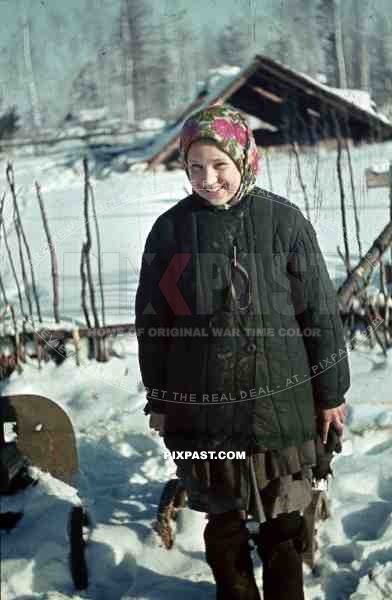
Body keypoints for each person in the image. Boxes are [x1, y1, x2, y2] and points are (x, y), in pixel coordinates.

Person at [135, 104, 350, 600]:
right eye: (194, 168)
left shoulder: (284, 223)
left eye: (219, 166)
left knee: (283, 525)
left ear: (245, 160)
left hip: (283, 410)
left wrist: (330, 391)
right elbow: (154, 326)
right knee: (224, 524)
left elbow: (319, 312)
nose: (207, 179)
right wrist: (162, 401)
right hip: (205, 412)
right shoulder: (170, 233)